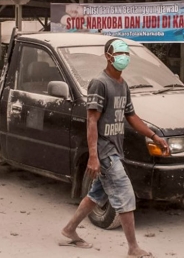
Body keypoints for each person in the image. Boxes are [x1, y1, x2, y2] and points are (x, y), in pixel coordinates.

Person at [61, 38, 170, 258]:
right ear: (108, 56)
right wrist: (93, 156)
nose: (124, 58)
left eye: (127, 54)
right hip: (105, 151)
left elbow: (131, 116)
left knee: (96, 195)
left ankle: (69, 229)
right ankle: (133, 248)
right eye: (120, 54)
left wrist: (154, 136)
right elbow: (91, 121)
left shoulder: (122, 85)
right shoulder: (99, 83)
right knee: (126, 195)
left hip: (115, 149)